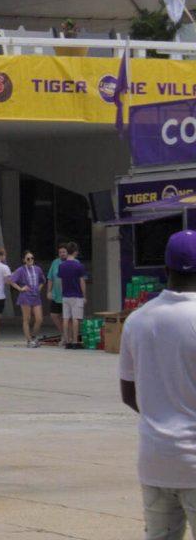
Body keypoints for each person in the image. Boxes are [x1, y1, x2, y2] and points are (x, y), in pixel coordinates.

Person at [120, 230, 196, 539]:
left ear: (165, 270)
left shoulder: (137, 320)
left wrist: (161, 413)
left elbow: (128, 393)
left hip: (155, 460)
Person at [9, 250, 45, 347]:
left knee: (39, 318)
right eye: (28, 258)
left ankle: (33, 336)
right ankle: (29, 340)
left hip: (36, 296)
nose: (30, 260)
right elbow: (11, 280)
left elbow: (42, 280)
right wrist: (20, 289)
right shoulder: (21, 270)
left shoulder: (37, 269)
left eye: (32, 258)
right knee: (27, 319)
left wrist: (39, 288)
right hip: (26, 296)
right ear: (24, 260)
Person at [57, 241, 88, 349]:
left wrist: (62, 293)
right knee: (76, 318)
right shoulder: (79, 266)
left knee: (66, 318)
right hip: (77, 295)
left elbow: (61, 281)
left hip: (65, 295)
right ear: (75, 252)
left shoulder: (61, 266)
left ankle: (67, 341)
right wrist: (84, 296)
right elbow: (82, 281)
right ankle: (75, 341)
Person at [46, 244, 68, 336]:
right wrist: (49, 291)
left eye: (64, 252)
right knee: (54, 315)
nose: (62, 254)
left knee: (66, 317)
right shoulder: (55, 262)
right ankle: (63, 333)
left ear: (67, 252)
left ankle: (68, 336)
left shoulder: (72, 262)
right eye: (60, 252)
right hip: (56, 294)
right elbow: (50, 278)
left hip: (67, 294)